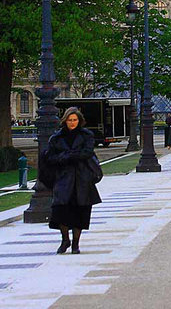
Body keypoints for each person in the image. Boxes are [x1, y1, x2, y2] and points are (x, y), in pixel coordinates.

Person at [45, 107, 101, 255]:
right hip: (63, 178)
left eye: (75, 120)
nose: (72, 123)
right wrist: (67, 157)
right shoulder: (56, 138)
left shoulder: (86, 135)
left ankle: (76, 243)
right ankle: (65, 239)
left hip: (82, 178)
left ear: (79, 120)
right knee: (61, 209)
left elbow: (88, 152)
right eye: (70, 120)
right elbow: (49, 157)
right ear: (65, 120)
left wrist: (68, 155)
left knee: (80, 211)